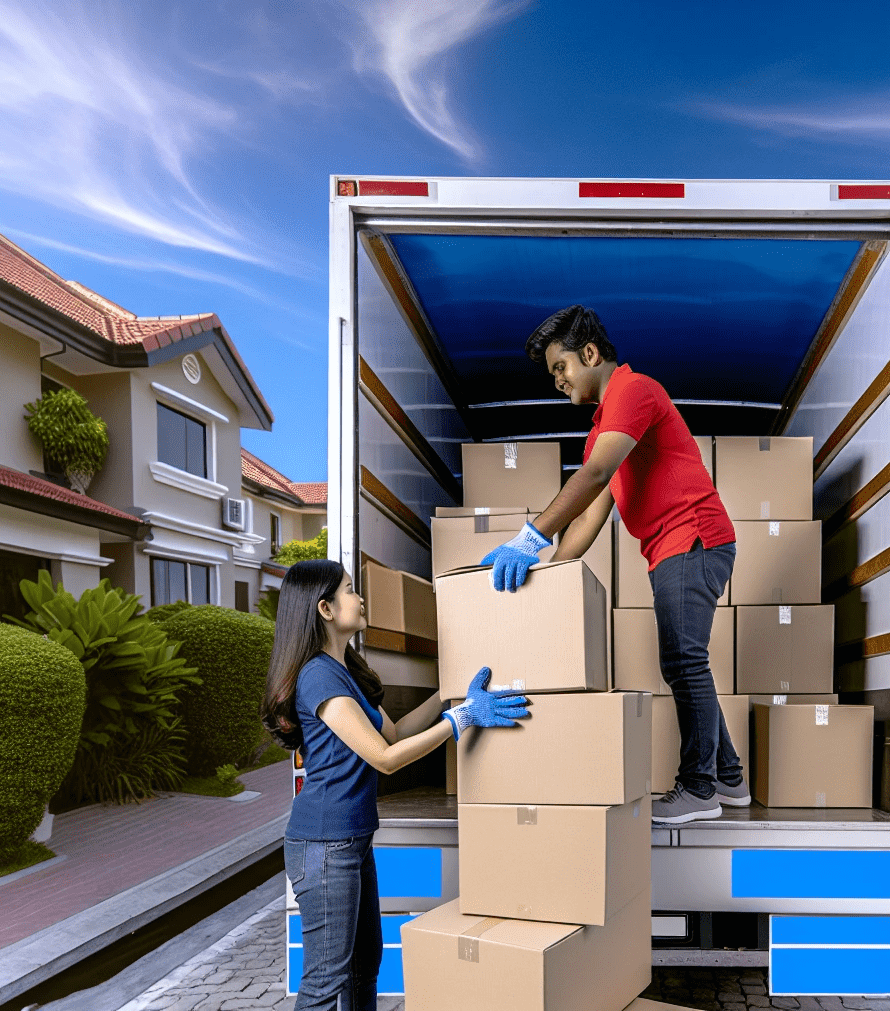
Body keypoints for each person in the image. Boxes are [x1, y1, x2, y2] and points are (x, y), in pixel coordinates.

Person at [480, 304, 745, 825]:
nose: (558, 380)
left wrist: (529, 537)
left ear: (591, 353)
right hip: (671, 547)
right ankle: (729, 777)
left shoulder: (634, 391)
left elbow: (597, 475)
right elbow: (589, 518)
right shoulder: (606, 427)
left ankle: (699, 788)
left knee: (684, 661)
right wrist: (549, 577)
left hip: (692, 537)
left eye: (562, 367)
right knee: (687, 661)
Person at [261, 559, 528, 1010]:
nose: (360, 598)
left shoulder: (347, 669)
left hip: (350, 839)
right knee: (327, 979)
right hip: (323, 843)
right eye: (350, 590)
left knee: (366, 964)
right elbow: (385, 760)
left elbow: (396, 733)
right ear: (324, 609)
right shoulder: (318, 676)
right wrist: (461, 719)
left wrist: (448, 695)